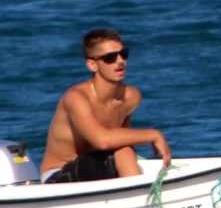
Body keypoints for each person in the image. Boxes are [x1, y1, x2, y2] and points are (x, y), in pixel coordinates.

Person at [41, 28, 172, 183]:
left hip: (100, 166)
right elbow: (101, 141)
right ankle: (139, 200)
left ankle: (137, 197)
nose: (120, 61)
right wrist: (154, 135)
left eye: (123, 54)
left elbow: (120, 139)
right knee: (121, 151)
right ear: (92, 65)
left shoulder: (131, 97)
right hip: (58, 175)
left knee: (124, 149)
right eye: (110, 58)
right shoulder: (76, 98)